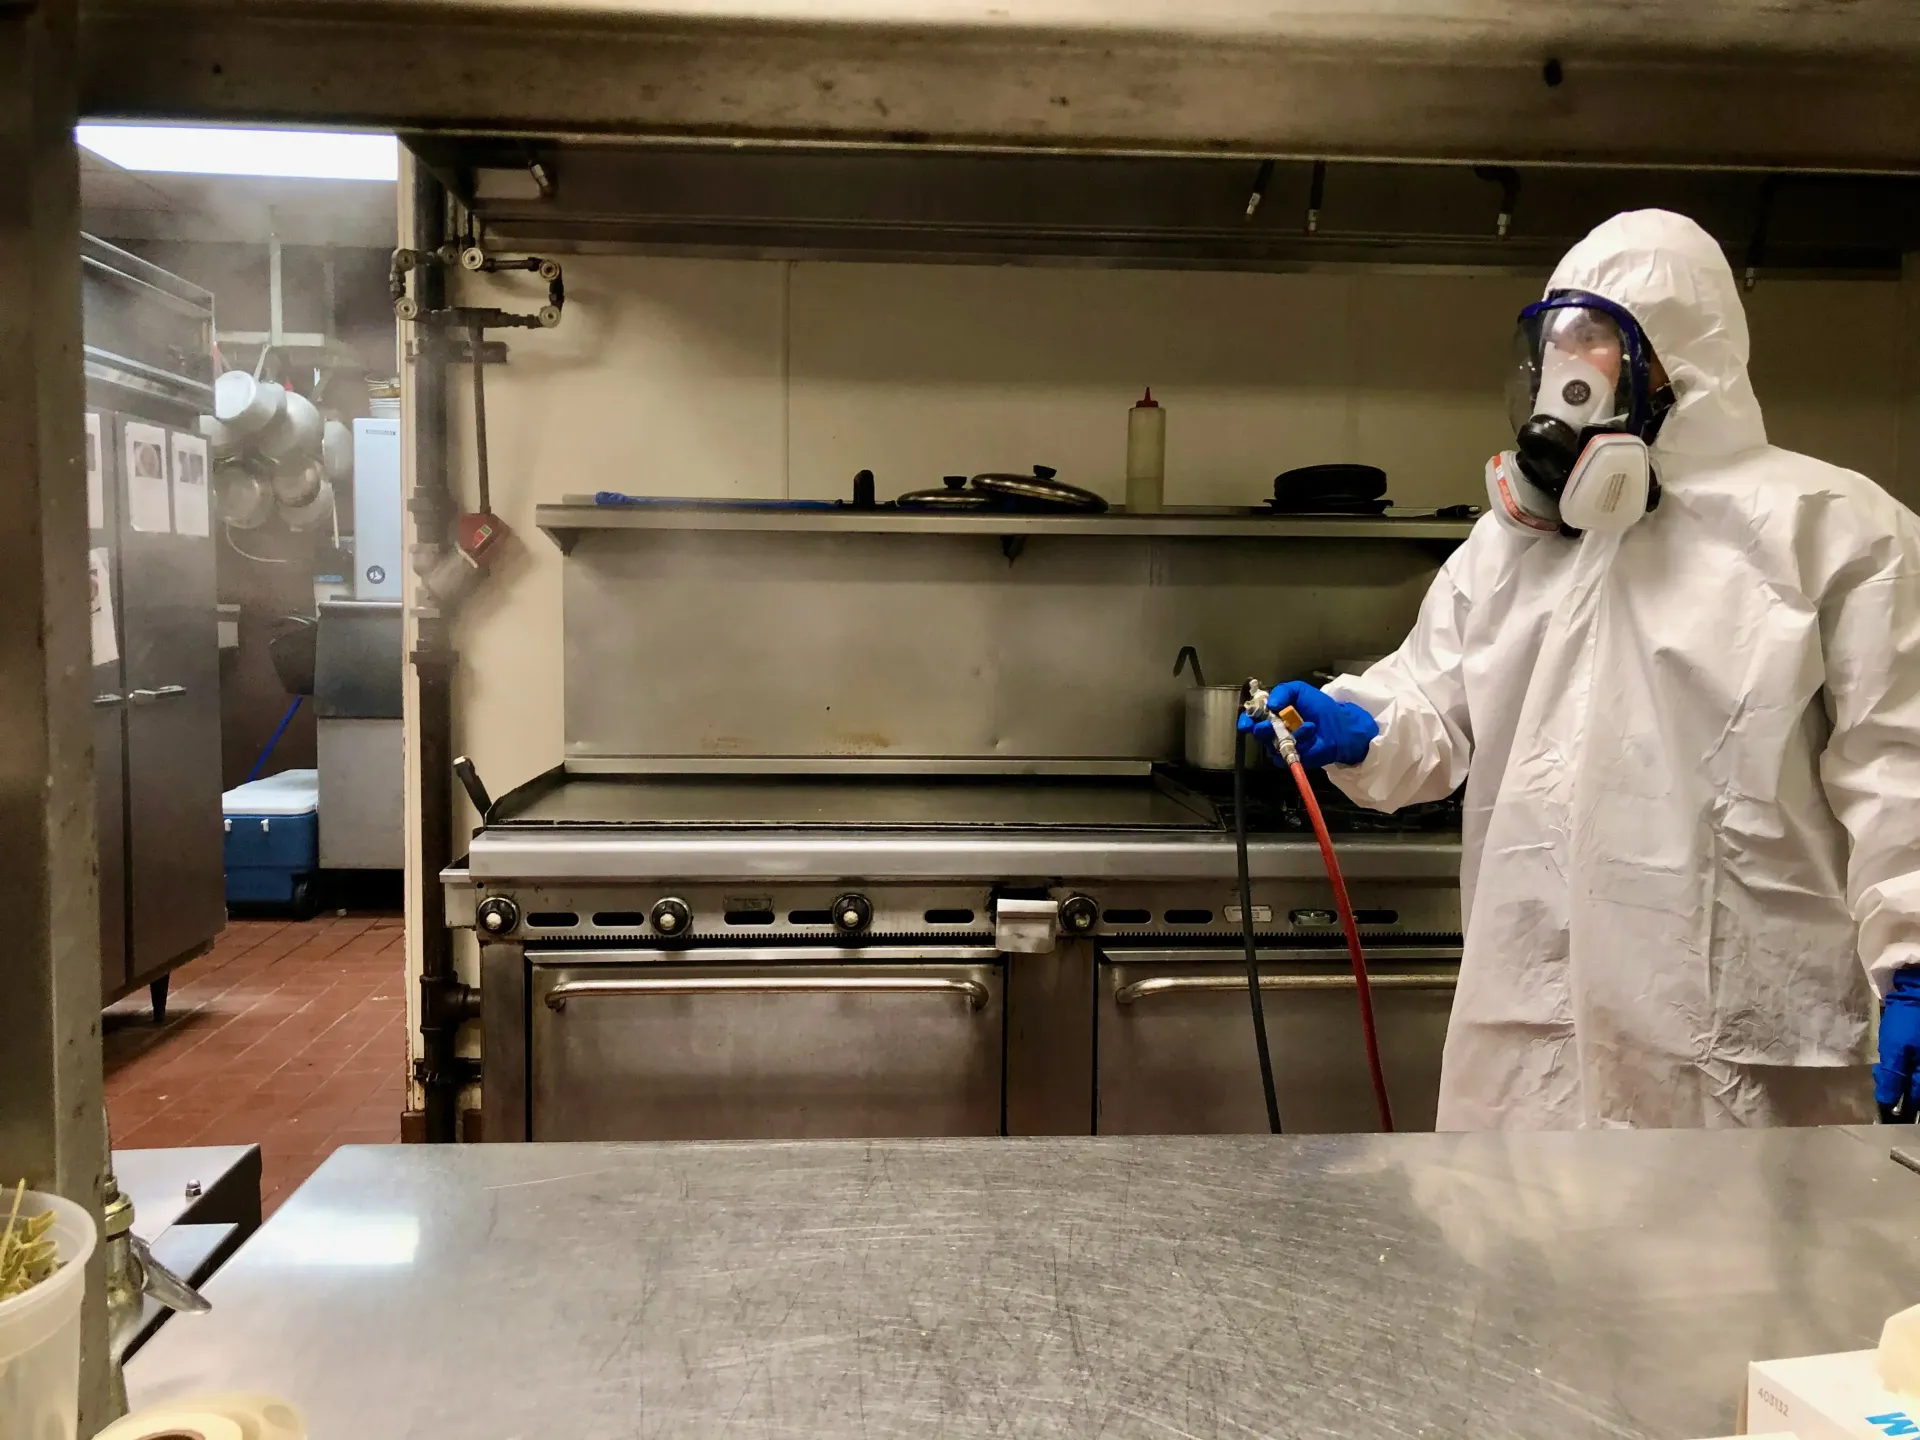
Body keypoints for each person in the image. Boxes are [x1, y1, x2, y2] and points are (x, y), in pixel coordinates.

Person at [1248, 208, 1920, 1129]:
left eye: (1598, 336)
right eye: (1556, 339)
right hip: (1532, 1038)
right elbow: (1431, 702)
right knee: (1524, 1267)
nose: (1568, 367)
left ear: (1678, 358)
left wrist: (1916, 956)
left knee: (1735, 1272)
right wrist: (1363, 724)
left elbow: (1901, 760)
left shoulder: (1833, 528)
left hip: (1741, 1054)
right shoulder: (1515, 547)